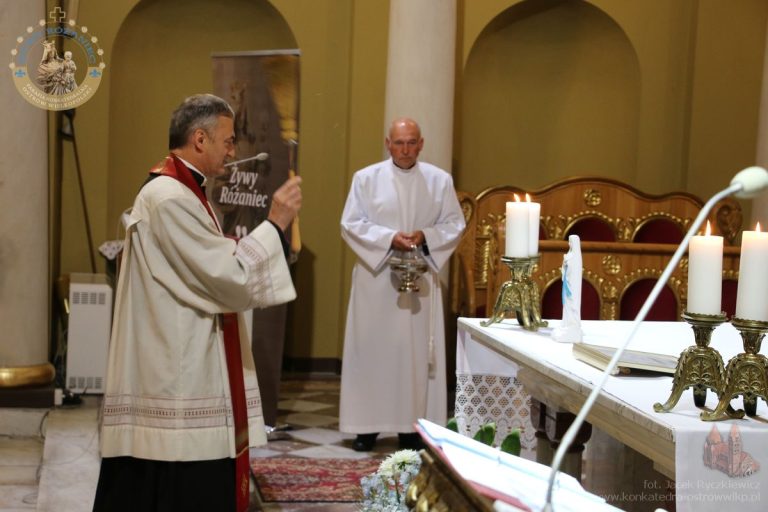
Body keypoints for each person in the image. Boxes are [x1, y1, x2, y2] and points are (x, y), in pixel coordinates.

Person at [92, 94, 302, 512]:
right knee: (180, 483)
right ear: (200, 139)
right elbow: (227, 275)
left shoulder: (185, 190)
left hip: (184, 351)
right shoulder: (169, 196)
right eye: (228, 141)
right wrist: (276, 223)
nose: (233, 151)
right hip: (177, 367)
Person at [339, 117, 466, 451]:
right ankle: (367, 428)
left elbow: (455, 224)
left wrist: (426, 235)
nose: (405, 149)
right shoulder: (366, 179)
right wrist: (389, 238)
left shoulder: (439, 181)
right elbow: (350, 223)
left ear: (421, 144)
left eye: (411, 142)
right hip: (376, 280)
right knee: (372, 351)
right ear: (388, 144)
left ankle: (412, 427)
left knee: (414, 354)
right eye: (399, 143)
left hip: (419, 277)